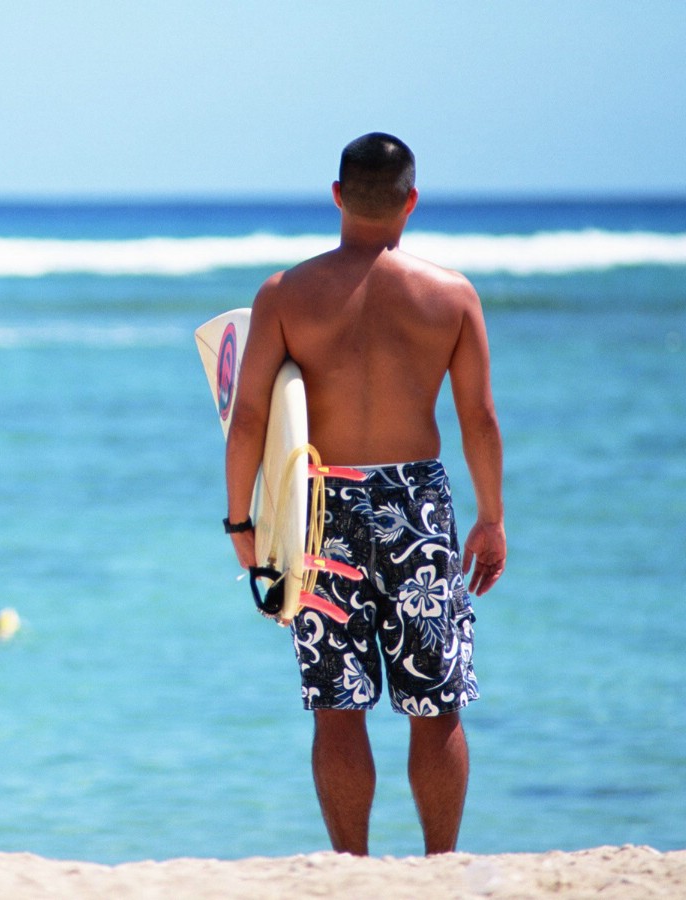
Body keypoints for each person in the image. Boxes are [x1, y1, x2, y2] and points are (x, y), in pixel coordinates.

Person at [223, 133, 506, 857]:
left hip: (323, 514)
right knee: (435, 706)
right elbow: (478, 417)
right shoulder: (452, 295)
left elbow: (251, 416)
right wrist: (491, 519)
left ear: (338, 196)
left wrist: (241, 522)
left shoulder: (286, 294)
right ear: (412, 200)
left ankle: (352, 869)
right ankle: (441, 865)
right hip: (420, 508)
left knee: (337, 709)